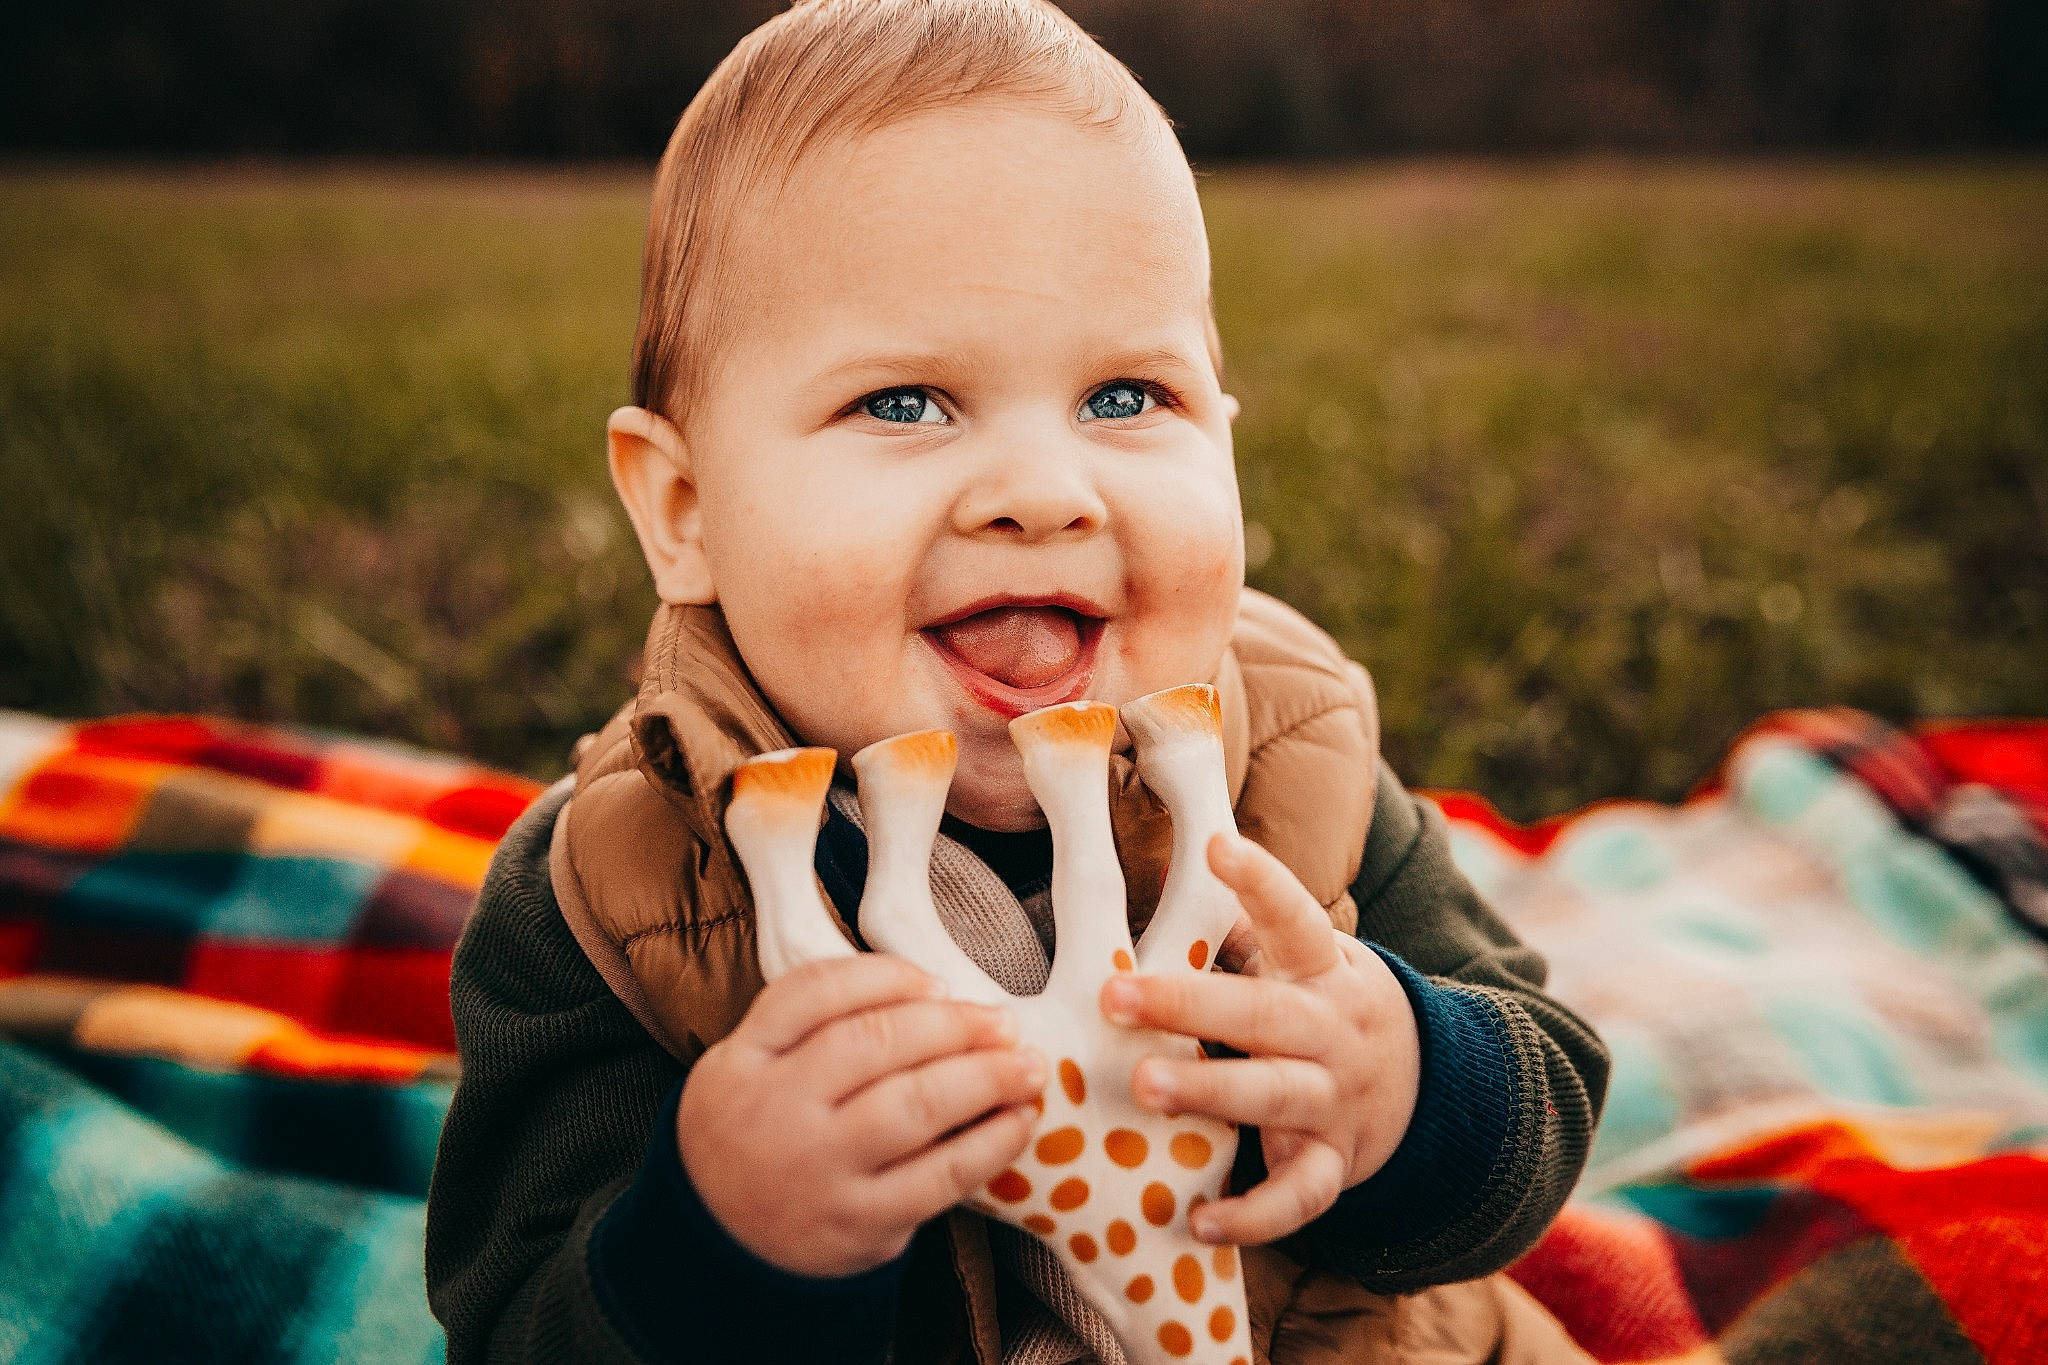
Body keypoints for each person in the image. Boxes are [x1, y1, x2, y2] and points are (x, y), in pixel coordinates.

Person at [424, 2, 1608, 1361]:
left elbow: (1547, 1094)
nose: (1044, 492)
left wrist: (1410, 1086)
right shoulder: (619, 895)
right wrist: (725, 1244)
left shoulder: (1291, 762)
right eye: (904, 404)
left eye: (1126, 398)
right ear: (685, 510)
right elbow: (514, 1327)